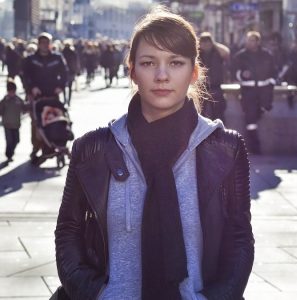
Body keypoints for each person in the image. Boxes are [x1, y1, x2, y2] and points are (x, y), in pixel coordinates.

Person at [54, 6, 254, 300]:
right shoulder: (92, 150)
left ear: (194, 71)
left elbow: (239, 239)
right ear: (132, 70)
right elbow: (68, 234)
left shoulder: (225, 148)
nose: (162, 75)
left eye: (175, 62)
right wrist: (97, 295)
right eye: (149, 63)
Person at [22, 32, 68, 163]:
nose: (44, 45)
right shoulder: (31, 59)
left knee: (55, 118)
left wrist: (61, 86)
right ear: (38, 44)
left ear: (50, 44)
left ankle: (57, 143)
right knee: (36, 122)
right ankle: (36, 146)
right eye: (42, 42)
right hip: (37, 96)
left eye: (46, 42)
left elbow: (65, 73)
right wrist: (31, 88)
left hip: (53, 95)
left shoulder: (57, 58)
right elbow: (25, 76)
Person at [233, 31, 275, 154]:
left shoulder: (267, 55)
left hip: (264, 92)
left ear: (258, 41)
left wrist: (270, 85)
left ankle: (251, 145)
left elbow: (273, 72)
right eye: (248, 40)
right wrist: (242, 75)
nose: (250, 43)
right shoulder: (240, 56)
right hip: (248, 91)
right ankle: (254, 147)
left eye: (253, 40)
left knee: (258, 114)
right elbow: (233, 71)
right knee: (250, 118)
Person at [198, 32, 230, 122]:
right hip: (201, 89)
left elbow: (226, 52)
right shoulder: (197, 54)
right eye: (203, 42)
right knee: (201, 114)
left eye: (208, 41)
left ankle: (219, 133)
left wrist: (214, 43)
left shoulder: (217, 52)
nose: (206, 44)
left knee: (219, 113)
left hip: (216, 87)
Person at [0, 79, 26, 162]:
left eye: (13, 91)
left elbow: (24, 107)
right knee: (9, 141)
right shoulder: (4, 101)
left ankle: (11, 152)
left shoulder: (18, 100)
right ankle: (9, 154)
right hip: (7, 124)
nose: (11, 93)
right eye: (10, 92)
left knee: (16, 140)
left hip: (16, 124)